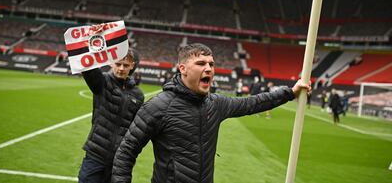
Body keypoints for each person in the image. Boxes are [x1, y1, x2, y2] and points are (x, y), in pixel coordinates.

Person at [112, 43, 310, 183]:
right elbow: (126, 151)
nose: (208, 69)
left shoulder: (215, 104)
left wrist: (290, 92)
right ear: (183, 69)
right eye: (201, 64)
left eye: (211, 64)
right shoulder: (158, 106)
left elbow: (253, 103)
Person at [78, 49, 145, 183]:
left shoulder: (138, 95)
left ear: (132, 66)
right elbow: (88, 67)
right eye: (118, 64)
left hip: (120, 161)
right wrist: (88, 45)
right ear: (111, 63)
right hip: (95, 156)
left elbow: (135, 129)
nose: (121, 68)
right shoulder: (102, 82)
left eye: (125, 65)